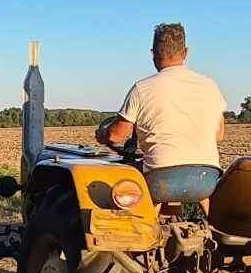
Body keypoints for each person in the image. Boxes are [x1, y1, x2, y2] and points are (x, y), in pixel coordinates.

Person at [96, 23, 227, 170]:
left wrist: (103, 134)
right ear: (186, 52)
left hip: (160, 176)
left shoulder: (142, 89)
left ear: (153, 54)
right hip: (207, 176)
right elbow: (219, 134)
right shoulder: (210, 86)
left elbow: (116, 135)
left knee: (118, 176)